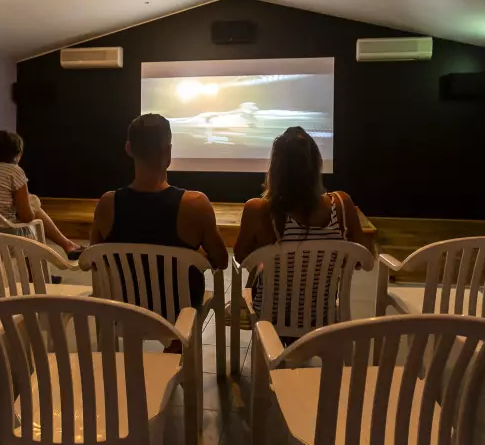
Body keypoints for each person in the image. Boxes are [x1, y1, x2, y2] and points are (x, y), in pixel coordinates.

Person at [91, 113, 229, 312]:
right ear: (168, 150)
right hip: (180, 318)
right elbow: (221, 261)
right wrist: (193, 254)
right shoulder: (195, 205)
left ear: (128, 149)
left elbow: (95, 261)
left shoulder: (107, 204)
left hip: (127, 314)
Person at [233, 126, 366, 315]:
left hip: (270, 319)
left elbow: (241, 258)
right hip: (323, 318)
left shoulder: (258, 210)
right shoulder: (342, 205)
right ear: (317, 165)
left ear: (275, 168)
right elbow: (362, 260)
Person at [0, 130, 82, 259]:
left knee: (30, 203)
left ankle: (67, 245)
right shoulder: (14, 171)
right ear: (17, 153)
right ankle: (61, 250)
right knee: (33, 216)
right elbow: (27, 217)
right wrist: (33, 205)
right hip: (0, 240)